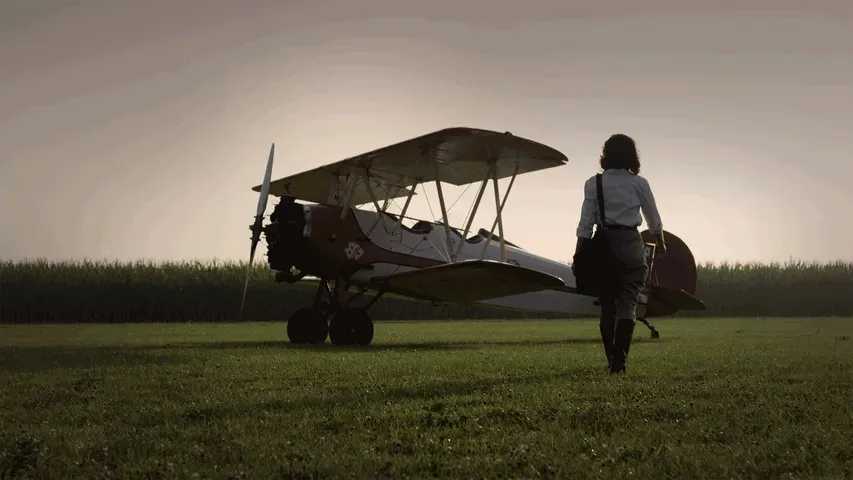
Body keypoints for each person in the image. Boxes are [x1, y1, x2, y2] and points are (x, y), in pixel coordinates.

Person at [574, 133, 667, 374]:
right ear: (631, 156)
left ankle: (610, 358)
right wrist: (661, 242)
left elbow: (585, 223)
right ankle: (620, 362)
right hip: (631, 245)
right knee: (628, 304)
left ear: (605, 155)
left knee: (607, 306)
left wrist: (579, 253)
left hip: (604, 245)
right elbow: (653, 219)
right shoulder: (639, 183)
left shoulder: (593, 183)